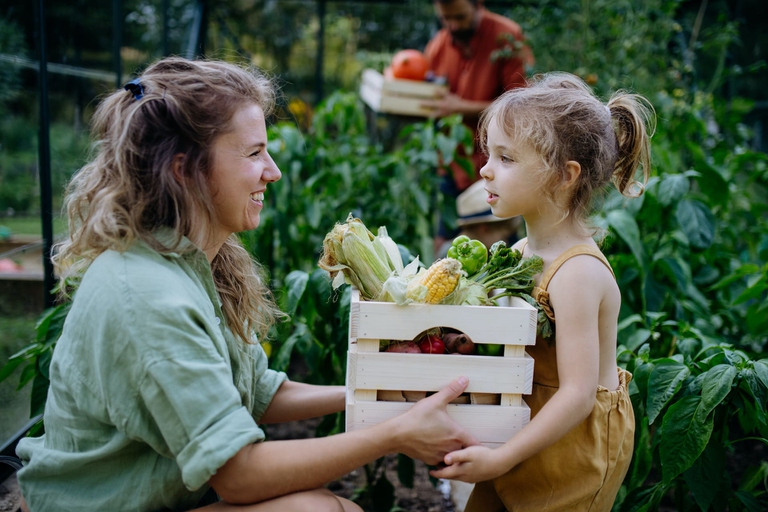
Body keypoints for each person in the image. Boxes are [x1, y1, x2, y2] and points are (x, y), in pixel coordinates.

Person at [14, 57, 478, 512]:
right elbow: (239, 475)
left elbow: (257, 390)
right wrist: (394, 434)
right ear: (184, 169)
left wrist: (379, 394)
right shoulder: (148, 298)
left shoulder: (189, 263)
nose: (273, 171)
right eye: (254, 153)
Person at [430, 72, 653, 511]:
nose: (485, 169)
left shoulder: (578, 275)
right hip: (520, 424)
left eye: (506, 158)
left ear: (564, 175)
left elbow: (577, 394)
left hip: (570, 453)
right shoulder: (520, 253)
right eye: (489, 153)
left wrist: (498, 459)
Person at [421, 0, 534, 253]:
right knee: (444, 245)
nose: (453, 25)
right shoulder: (439, 45)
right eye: (446, 19)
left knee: (501, 244)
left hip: (494, 161)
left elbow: (520, 107)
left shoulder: (506, 37)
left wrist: (460, 107)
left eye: (460, 17)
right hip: (452, 162)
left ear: (478, 4)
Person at [435, 179, 521, 259]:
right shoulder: (450, 255)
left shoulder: (485, 255)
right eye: (504, 237)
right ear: (484, 229)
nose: (506, 244)